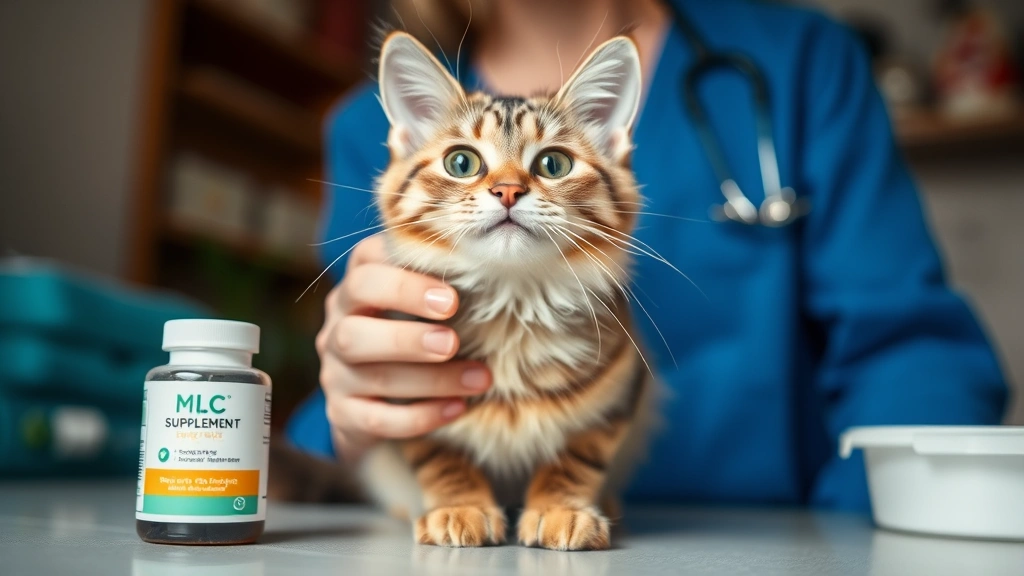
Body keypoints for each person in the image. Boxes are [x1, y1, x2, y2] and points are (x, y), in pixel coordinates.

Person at [284, 0, 1007, 512]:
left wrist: (856, 538)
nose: (506, 187)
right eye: (473, 164)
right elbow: (343, 409)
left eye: (548, 165)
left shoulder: (803, 65)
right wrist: (354, 414)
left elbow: (914, 360)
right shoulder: (366, 124)